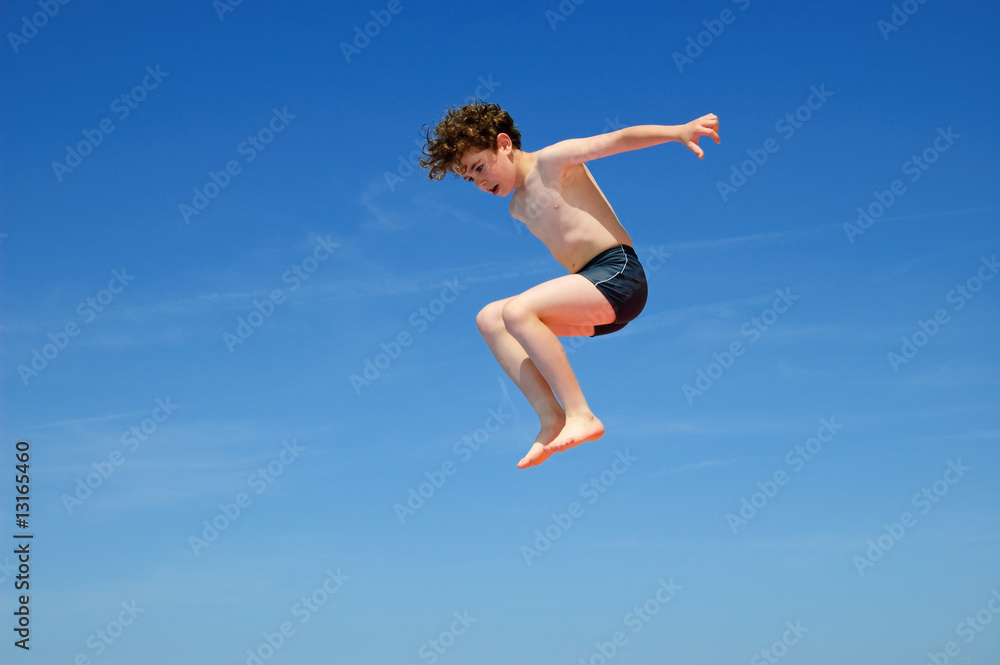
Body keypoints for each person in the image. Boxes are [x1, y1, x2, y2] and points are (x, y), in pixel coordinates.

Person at [420, 102, 719, 468]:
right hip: (594, 296)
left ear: (503, 144)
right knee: (490, 319)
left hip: (619, 274)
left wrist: (677, 131)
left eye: (480, 167)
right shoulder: (516, 207)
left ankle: (581, 414)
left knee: (518, 311)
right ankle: (551, 418)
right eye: (470, 178)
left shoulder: (553, 161)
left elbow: (619, 140)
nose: (480, 182)